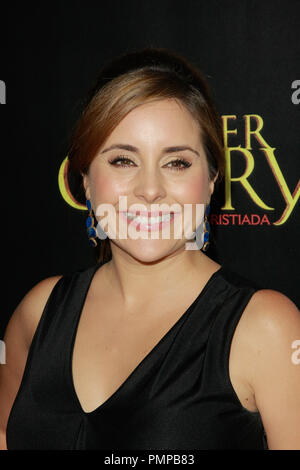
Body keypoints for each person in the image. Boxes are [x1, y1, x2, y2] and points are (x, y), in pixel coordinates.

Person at [0, 47, 299, 450]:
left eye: (177, 163)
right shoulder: (39, 311)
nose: (150, 190)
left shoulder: (268, 327)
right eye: (123, 160)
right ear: (86, 180)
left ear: (212, 180)